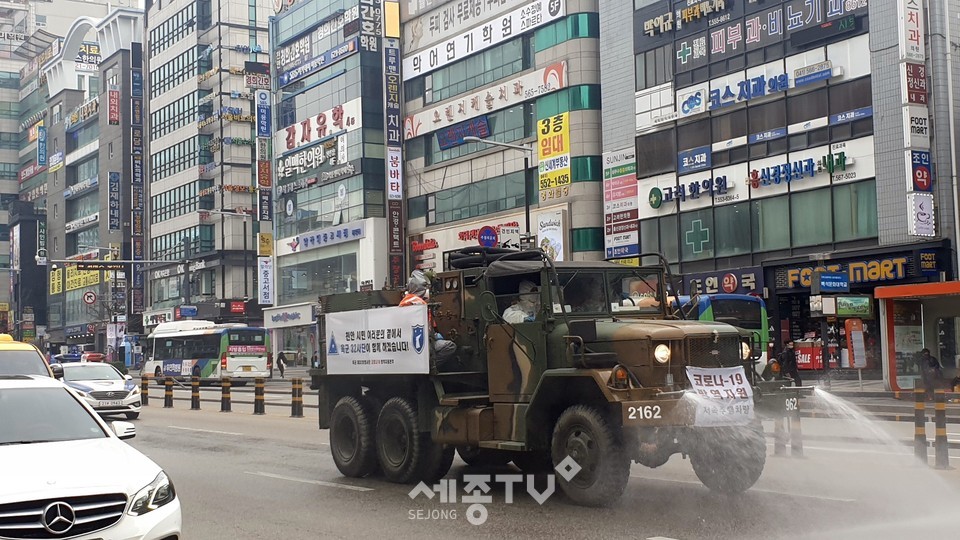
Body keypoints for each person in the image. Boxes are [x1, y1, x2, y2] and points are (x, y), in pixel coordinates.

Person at [399, 270, 456, 365]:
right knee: (449, 346)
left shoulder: (406, 300)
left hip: (410, 342)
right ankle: (430, 366)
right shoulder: (419, 303)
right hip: (421, 342)